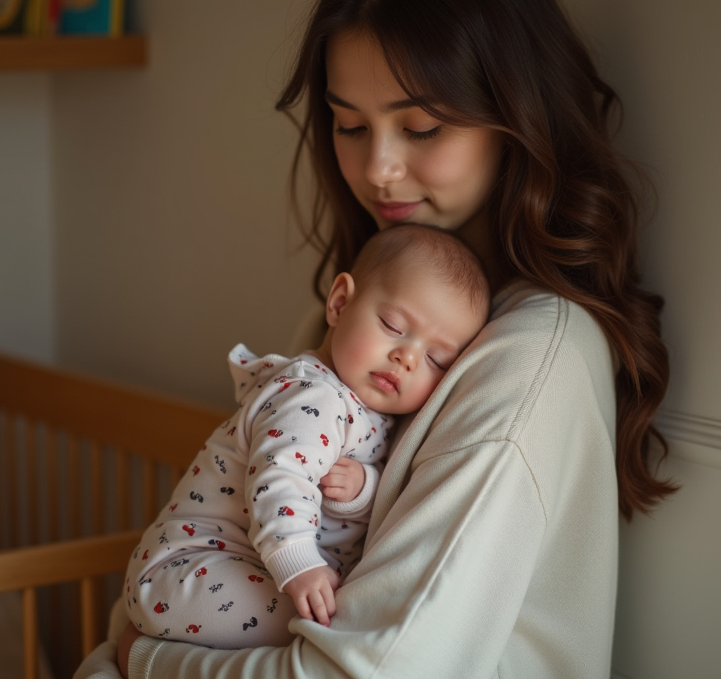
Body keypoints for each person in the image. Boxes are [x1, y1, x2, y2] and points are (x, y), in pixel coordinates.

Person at [74, 0, 674, 679]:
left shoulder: (530, 358)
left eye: (421, 128)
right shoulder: (349, 325)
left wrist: (136, 660)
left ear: (517, 119)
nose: (379, 169)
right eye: (349, 125)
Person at [124, 224, 489, 649]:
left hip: (237, 567)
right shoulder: (313, 393)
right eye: (393, 325)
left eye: (436, 359)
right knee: (326, 625)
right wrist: (297, 561)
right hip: (187, 569)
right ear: (339, 303)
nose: (407, 357)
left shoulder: (368, 409)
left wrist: (363, 488)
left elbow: (343, 486)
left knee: (328, 617)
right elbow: (281, 478)